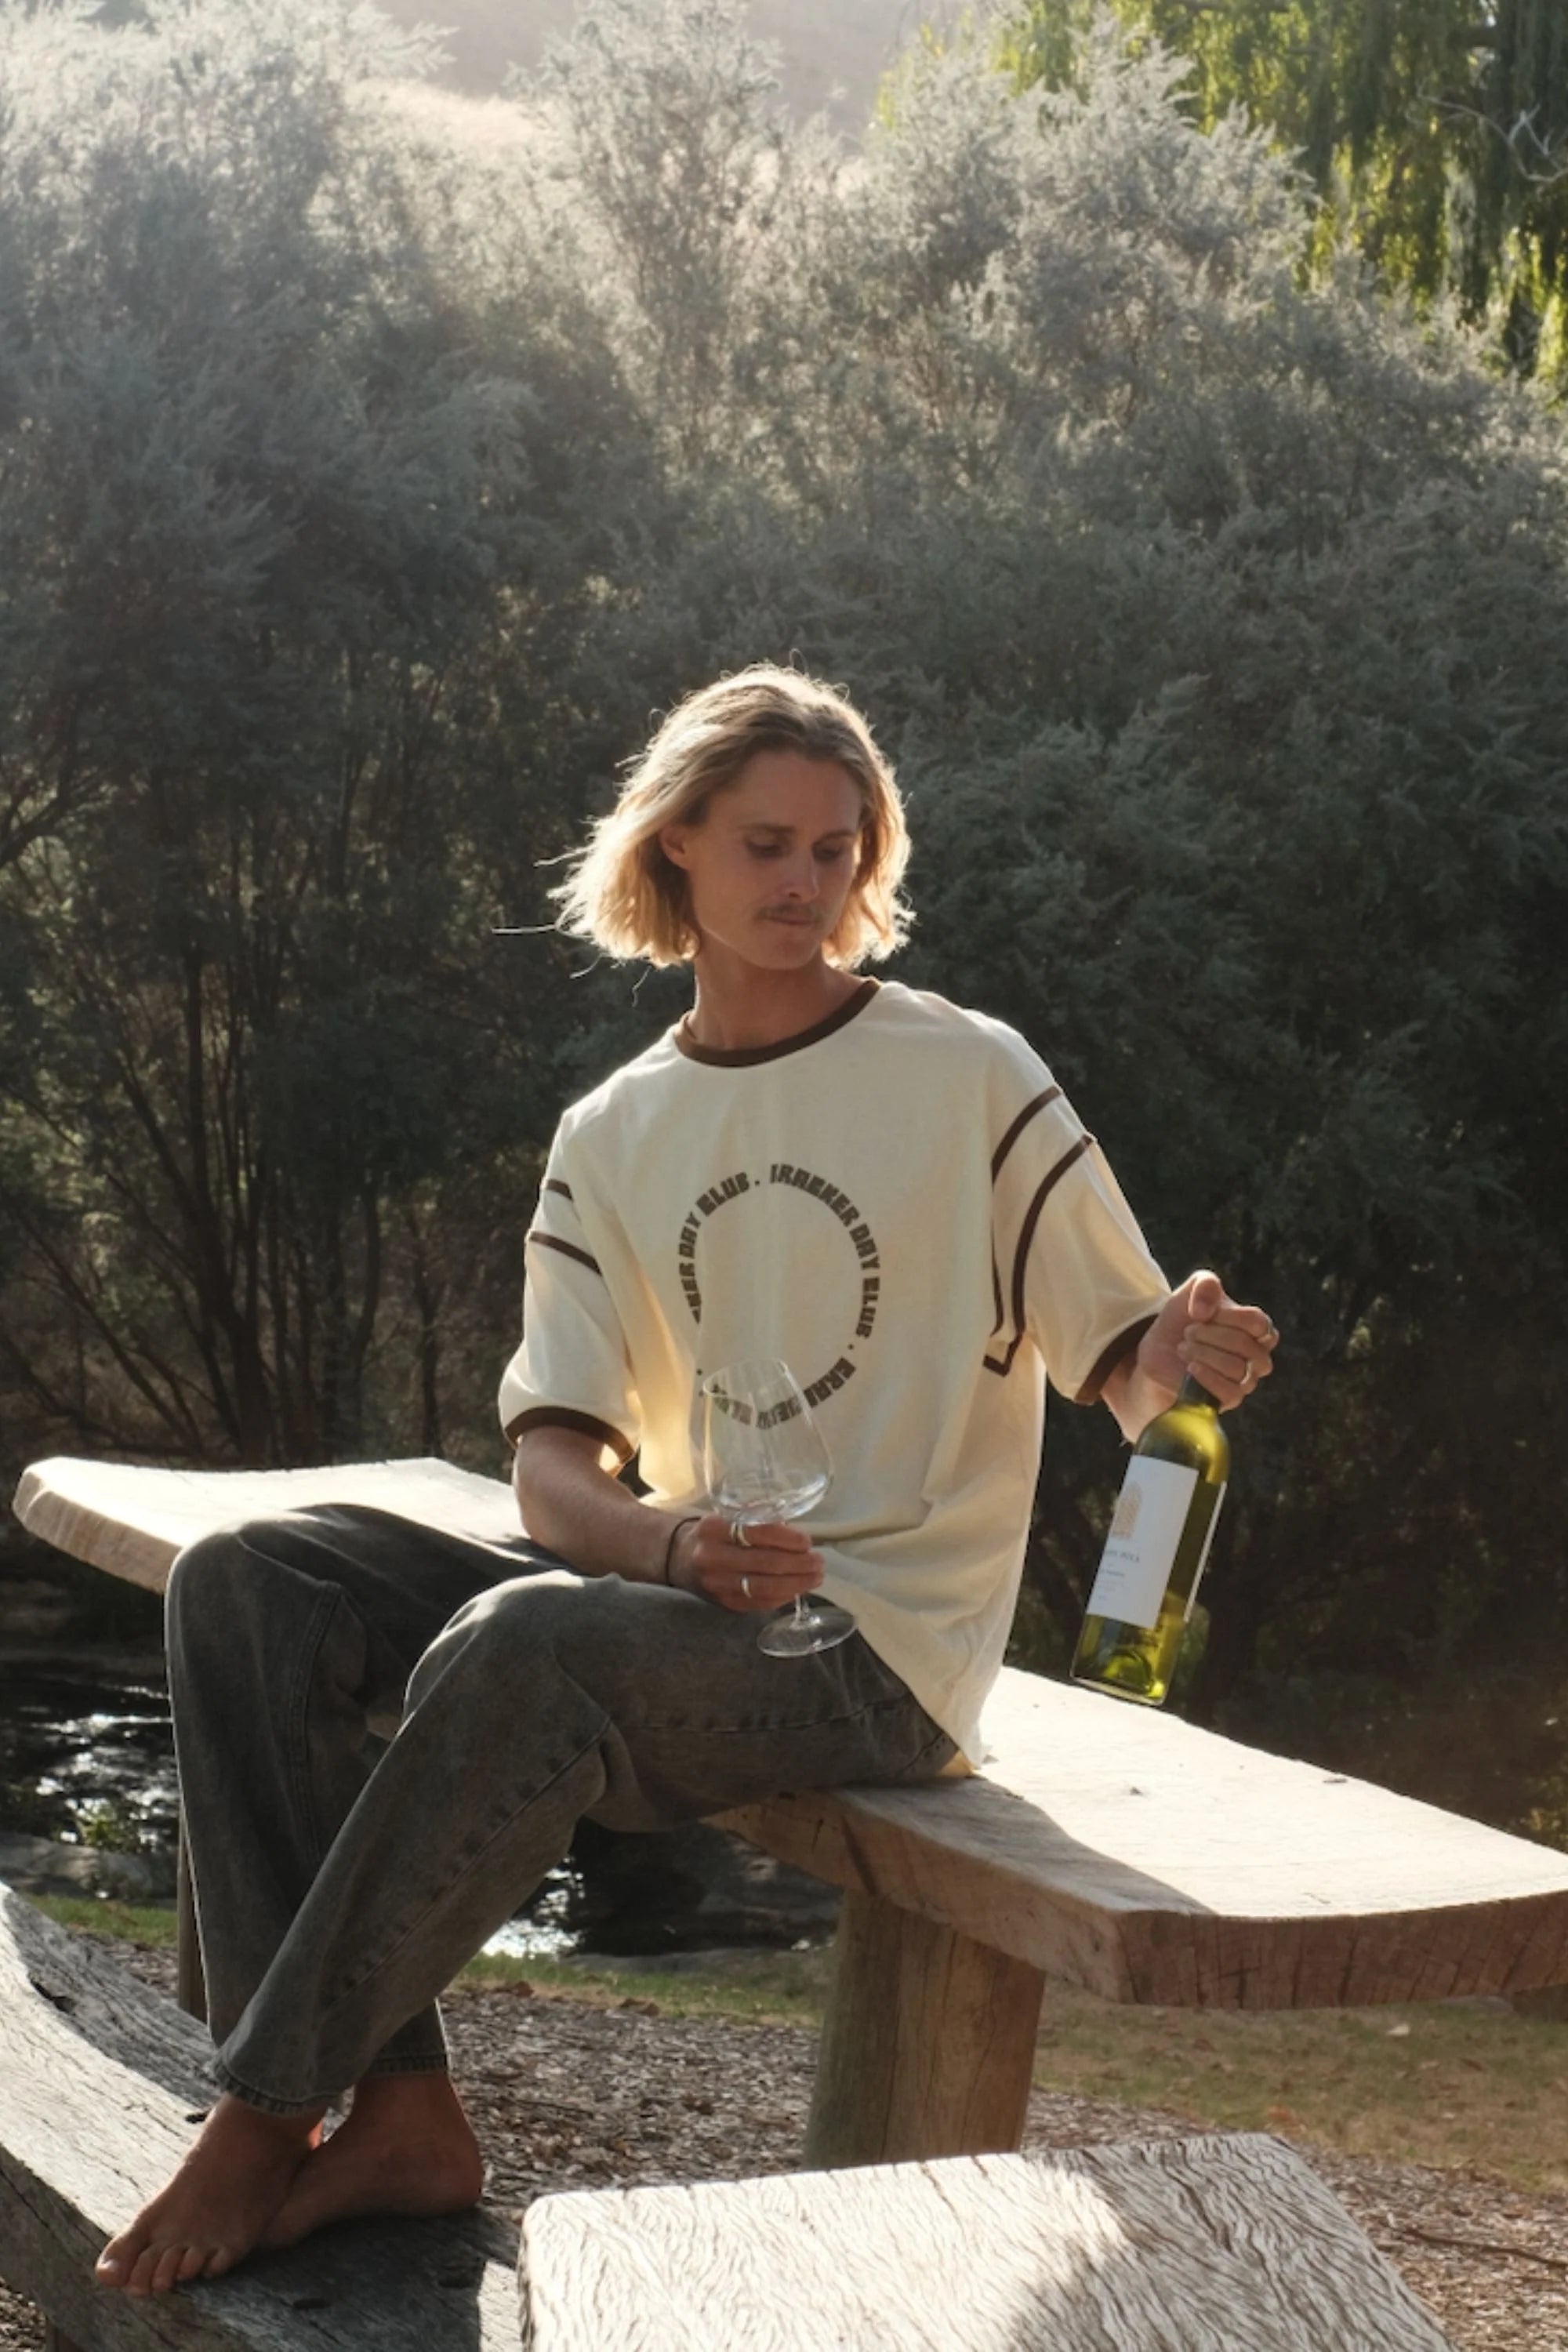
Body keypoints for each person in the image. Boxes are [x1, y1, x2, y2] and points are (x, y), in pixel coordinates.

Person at [96, 666, 1276, 2296]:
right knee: (250, 1578)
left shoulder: (969, 1076)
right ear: (677, 848)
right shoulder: (614, 1128)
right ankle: (404, 2111)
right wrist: (668, 1547)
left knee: (527, 1643)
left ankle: (262, 2112)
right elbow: (553, 1469)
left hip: (873, 1648)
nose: (805, 884)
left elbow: (1124, 1363)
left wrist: (1180, 1353)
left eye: (835, 851)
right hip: (690, 1599)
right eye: (766, 846)